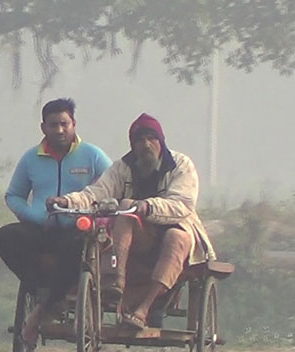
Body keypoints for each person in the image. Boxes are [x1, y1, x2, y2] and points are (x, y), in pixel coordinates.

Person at [48, 113, 216, 329]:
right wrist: (67, 201)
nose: (146, 144)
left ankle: (144, 309)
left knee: (175, 235)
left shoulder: (181, 165)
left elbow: (182, 204)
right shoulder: (122, 168)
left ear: (161, 141)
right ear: (133, 145)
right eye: (139, 140)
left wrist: (148, 206)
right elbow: (96, 193)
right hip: (137, 239)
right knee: (126, 207)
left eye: (151, 138)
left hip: (176, 230)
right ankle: (114, 283)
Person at [0, 98, 112, 347]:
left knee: (76, 250)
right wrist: (33, 216)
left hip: (78, 231)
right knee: (5, 237)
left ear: (74, 125)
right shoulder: (31, 159)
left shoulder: (92, 156)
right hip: (41, 228)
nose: (59, 130)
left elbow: (114, 191)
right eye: (53, 125)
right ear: (43, 128)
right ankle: (39, 289)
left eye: (64, 124)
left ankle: (46, 306)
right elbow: (13, 195)